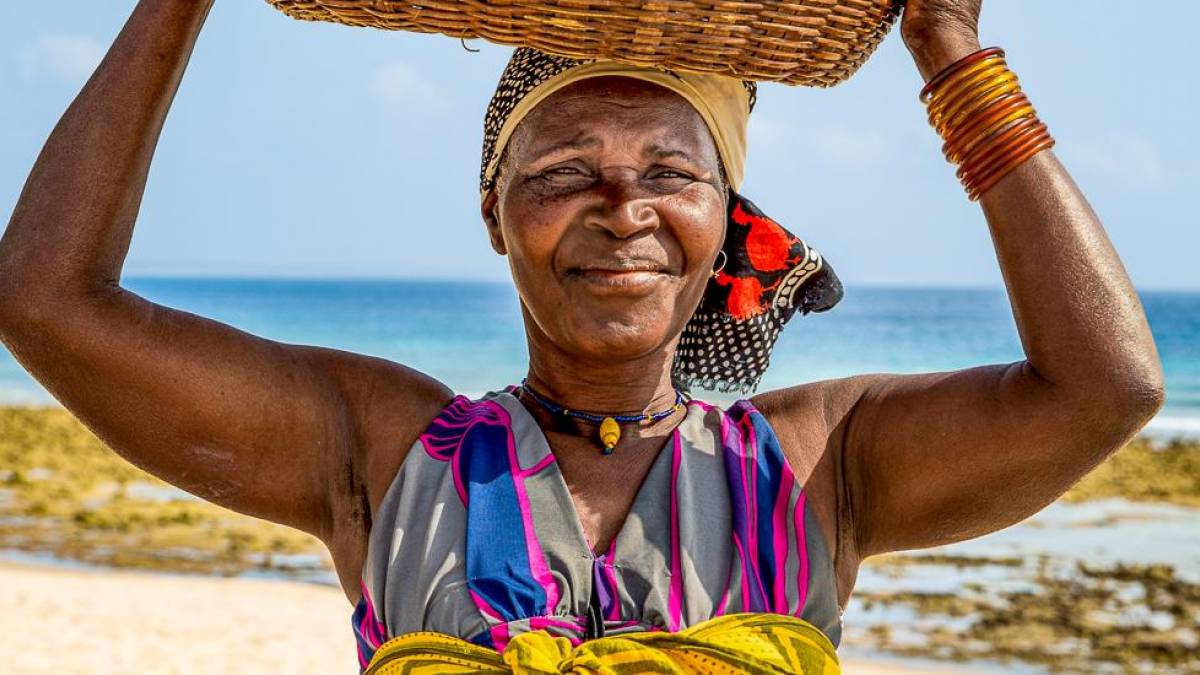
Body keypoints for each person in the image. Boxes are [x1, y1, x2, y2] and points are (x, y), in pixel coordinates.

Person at [0, 0, 1164, 672]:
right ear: (494, 215)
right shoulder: (384, 454)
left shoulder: (820, 464)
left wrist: (950, 55)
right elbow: (47, 301)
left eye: (671, 170)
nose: (624, 205)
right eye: (564, 171)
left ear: (728, 220)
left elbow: (1105, 386)